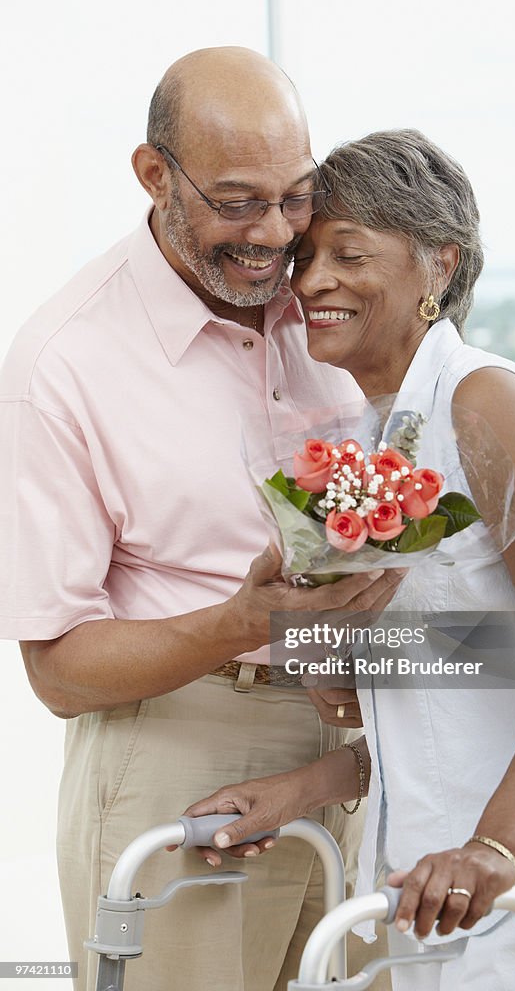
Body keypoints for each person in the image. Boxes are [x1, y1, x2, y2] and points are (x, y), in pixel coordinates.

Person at [185, 128, 515, 990]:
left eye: (349, 254)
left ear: (440, 267)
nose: (312, 282)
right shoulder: (382, 436)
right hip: (435, 870)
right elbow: (459, 704)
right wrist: (306, 774)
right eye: (304, 258)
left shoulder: (484, 404)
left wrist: (493, 847)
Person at [0, 49, 402, 991]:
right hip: (182, 753)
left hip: (365, 748)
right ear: (154, 175)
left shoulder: (329, 302)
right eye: (236, 201)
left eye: (296, 196)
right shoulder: (62, 364)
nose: (274, 235)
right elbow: (57, 670)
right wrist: (242, 620)